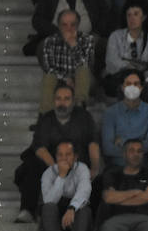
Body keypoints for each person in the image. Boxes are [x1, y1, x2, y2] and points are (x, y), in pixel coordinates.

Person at [15, 82, 101, 220]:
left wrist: (95, 169)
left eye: (66, 99)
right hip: (51, 164)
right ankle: (27, 211)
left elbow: (93, 144)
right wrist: (57, 169)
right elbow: (40, 148)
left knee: (99, 179)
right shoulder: (46, 119)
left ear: (73, 102)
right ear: (53, 100)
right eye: (58, 99)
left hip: (78, 164)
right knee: (31, 166)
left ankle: (94, 220)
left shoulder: (84, 118)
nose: (62, 103)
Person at [40, 140, 92, 231]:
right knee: (47, 208)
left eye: (68, 154)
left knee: (84, 208)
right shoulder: (48, 173)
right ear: (56, 157)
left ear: (75, 157)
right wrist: (61, 176)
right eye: (60, 155)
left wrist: (72, 208)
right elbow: (49, 201)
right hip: (56, 218)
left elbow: (85, 190)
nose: (64, 158)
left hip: (76, 216)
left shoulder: (82, 169)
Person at [101, 72, 148, 169]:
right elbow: (107, 148)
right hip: (116, 168)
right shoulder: (110, 113)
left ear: (141, 88)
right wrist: (138, 145)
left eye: (136, 84)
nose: (132, 87)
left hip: (143, 168)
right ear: (122, 87)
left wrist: (122, 141)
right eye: (128, 84)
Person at [39, 9, 96, 110]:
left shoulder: (87, 40)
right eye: (64, 25)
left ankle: (79, 108)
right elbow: (49, 68)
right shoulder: (50, 41)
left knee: (83, 70)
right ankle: (46, 114)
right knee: (48, 77)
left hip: (83, 79)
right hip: (60, 79)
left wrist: (74, 45)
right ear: (59, 26)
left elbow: (87, 64)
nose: (68, 28)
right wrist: (66, 79)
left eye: (72, 24)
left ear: (78, 25)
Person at [104, 4, 148, 100]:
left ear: (143, 17)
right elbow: (111, 62)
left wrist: (141, 79)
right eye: (129, 15)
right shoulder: (115, 36)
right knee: (123, 88)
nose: (132, 18)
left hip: (143, 80)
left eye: (136, 14)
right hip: (121, 79)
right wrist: (130, 67)